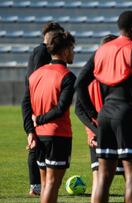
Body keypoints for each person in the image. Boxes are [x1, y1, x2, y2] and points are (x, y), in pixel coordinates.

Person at [75, 11, 132, 203]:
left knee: (103, 177)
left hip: (105, 116)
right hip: (128, 114)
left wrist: (94, 113)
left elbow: (79, 83)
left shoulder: (101, 51)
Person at [23, 31, 76, 203]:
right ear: (65, 51)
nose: (74, 52)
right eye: (72, 48)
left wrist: (31, 129)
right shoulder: (67, 76)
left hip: (40, 136)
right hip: (57, 135)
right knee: (52, 184)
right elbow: (60, 109)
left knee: (46, 184)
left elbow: (26, 104)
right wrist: (40, 119)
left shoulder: (36, 74)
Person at [74, 34, 124, 203]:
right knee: (130, 178)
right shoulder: (118, 76)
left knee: (99, 180)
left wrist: (93, 131)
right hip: (118, 134)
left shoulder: (88, 76)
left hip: (96, 136)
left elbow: (79, 110)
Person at [21, 21, 64, 196]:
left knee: (39, 142)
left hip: (39, 104)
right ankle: (36, 185)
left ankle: (40, 184)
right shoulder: (41, 52)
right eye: (59, 36)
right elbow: (35, 82)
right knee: (35, 143)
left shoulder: (50, 53)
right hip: (36, 104)